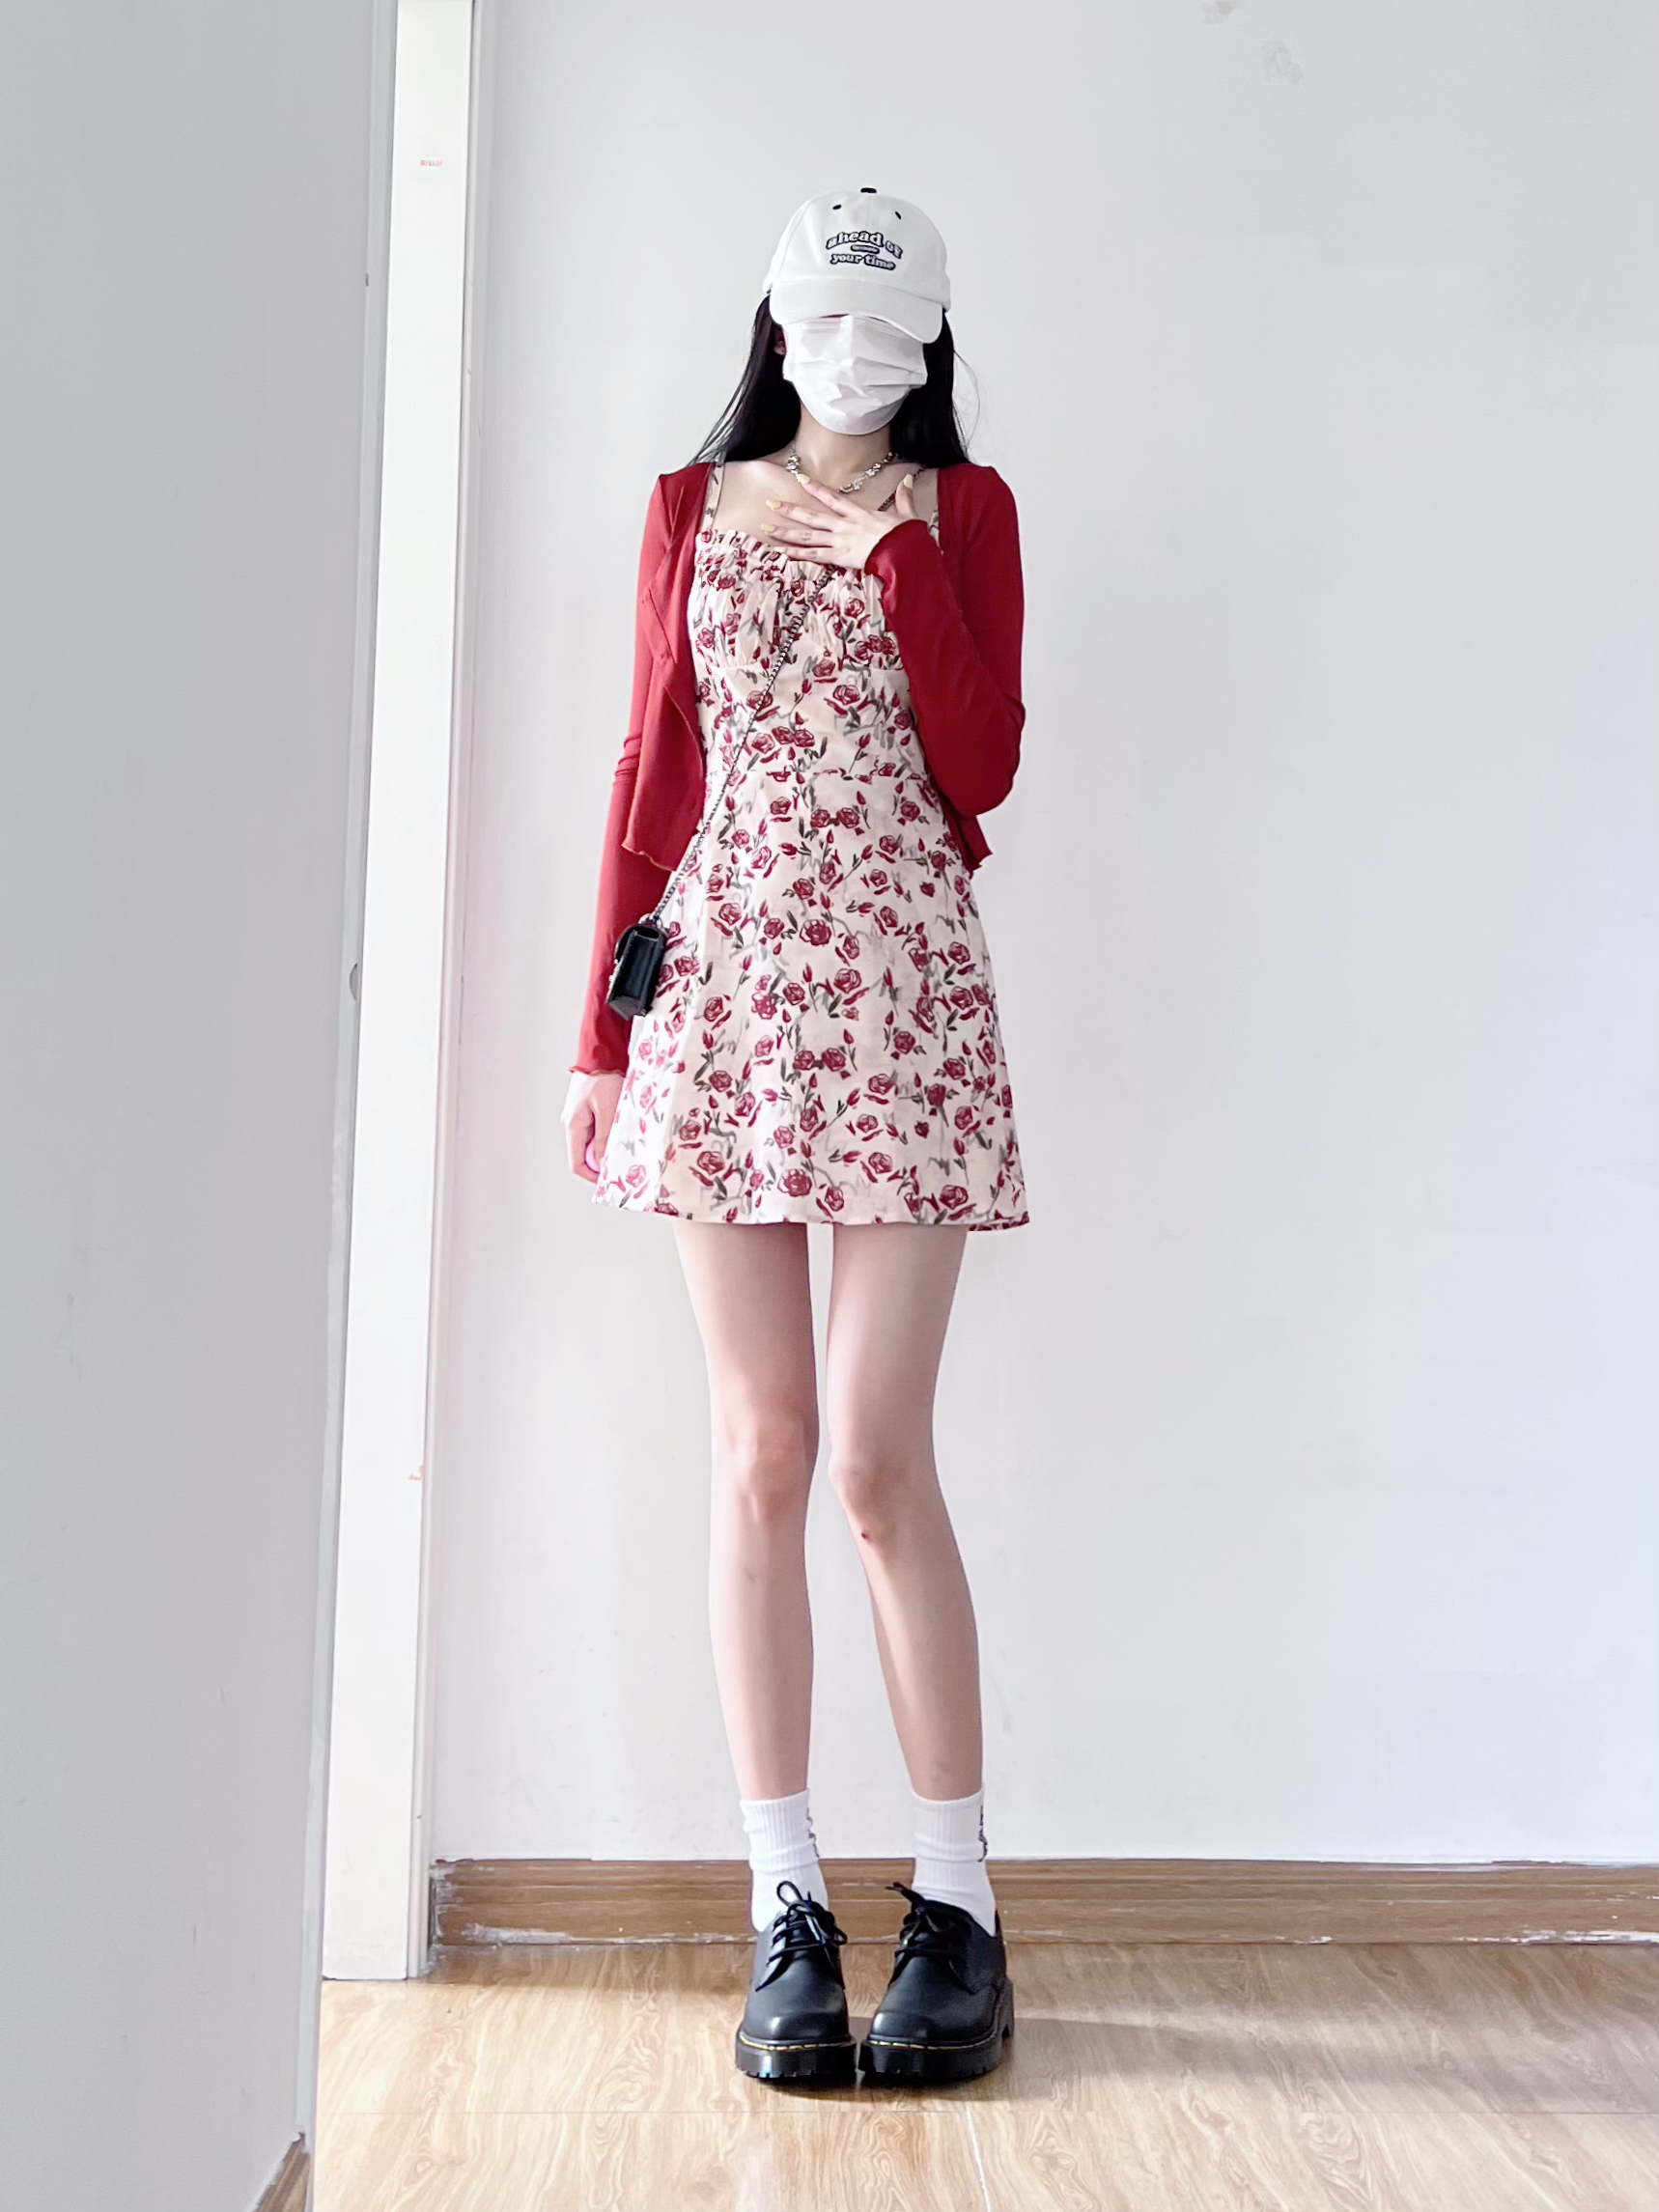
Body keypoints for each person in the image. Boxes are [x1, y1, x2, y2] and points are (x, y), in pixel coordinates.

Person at [562, 187, 1027, 2086]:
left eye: (889, 326)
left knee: (877, 1465)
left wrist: (897, 563)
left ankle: (958, 1905)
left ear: (929, 338)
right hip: (724, 1006)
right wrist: (601, 1033)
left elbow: (984, 761)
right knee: (760, 1450)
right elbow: (648, 766)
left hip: (899, 1009)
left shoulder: (965, 516)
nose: (853, 356)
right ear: (773, 323)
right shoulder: (689, 508)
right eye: (824, 319)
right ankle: (785, 1903)